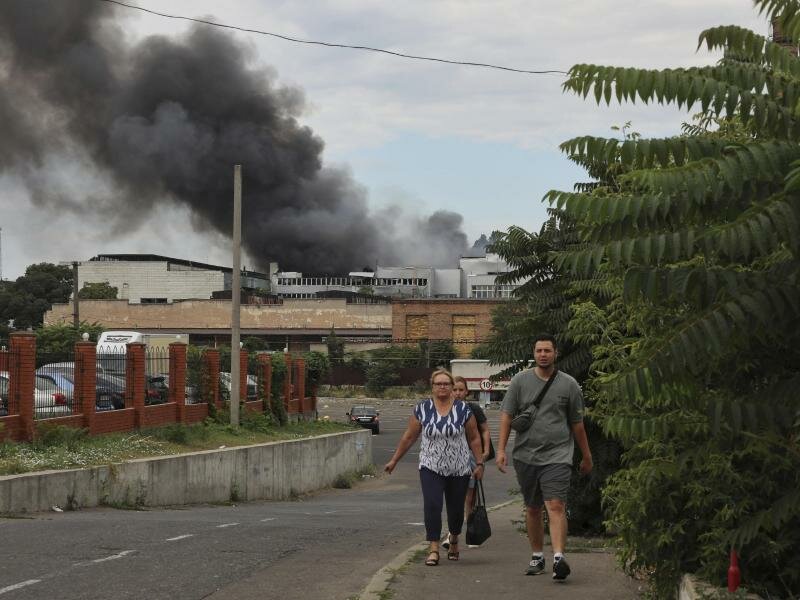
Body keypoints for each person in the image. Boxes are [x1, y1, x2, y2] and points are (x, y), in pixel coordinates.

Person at [495, 333, 592, 581]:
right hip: (526, 455)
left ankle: (559, 558)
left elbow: (577, 424)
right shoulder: (520, 381)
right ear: (534, 353)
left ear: (555, 353)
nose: (543, 355)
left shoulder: (569, 384)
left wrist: (586, 456)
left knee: (556, 504)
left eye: (547, 350)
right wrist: (501, 449)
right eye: (539, 351)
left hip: (558, 454)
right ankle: (537, 555)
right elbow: (506, 415)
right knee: (533, 508)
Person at [385, 369, 484, 566]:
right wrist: (394, 459)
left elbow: (474, 438)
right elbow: (409, 436)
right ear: (432, 387)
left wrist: (479, 463)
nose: (442, 387)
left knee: (456, 510)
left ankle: (454, 539)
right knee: (432, 505)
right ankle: (433, 548)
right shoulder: (422, 409)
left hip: (459, 467)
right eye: (438, 384)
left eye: (446, 384)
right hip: (431, 466)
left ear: (451, 387)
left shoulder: (463, 410)